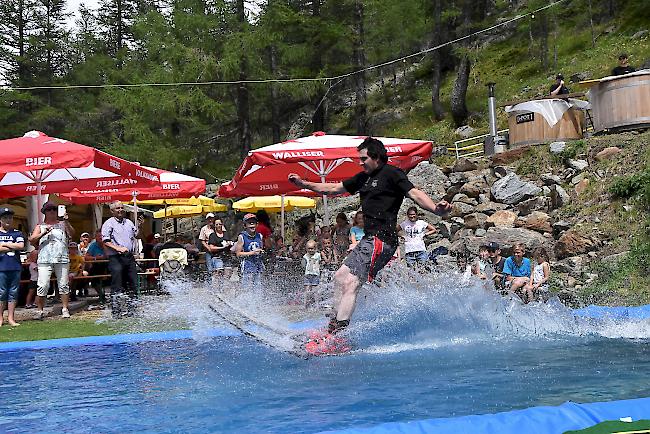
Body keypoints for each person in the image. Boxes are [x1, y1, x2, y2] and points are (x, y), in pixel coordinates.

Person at [288, 137, 451, 333]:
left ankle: (337, 335)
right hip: (369, 240)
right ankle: (330, 328)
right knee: (340, 277)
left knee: (351, 282)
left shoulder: (392, 174)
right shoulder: (363, 177)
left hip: (383, 240)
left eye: (363, 158)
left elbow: (415, 194)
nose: (360, 162)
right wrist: (303, 183)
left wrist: (435, 209)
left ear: (376, 157)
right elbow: (333, 188)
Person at [29, 202, 75, 319]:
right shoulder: (40, 226)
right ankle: (39, 310)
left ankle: (65, 308)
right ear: (44, 212)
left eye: (54, 209)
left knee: (63, 284)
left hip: (62, 257)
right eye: (49, 210)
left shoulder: (62, 224)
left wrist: (66, 221)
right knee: (42, 285)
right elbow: (31, 240)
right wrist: (43, 232)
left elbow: (72, 234)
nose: (52, 212)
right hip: (45, 259)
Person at [102, 201, 142, 318]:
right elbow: (106, 241)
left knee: (133, 284)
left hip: (129, 257)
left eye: (122, 208)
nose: (120, 210)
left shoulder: (129, 222)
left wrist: (141, 226)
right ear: (112, 211)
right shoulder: (108, 224)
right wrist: (118, 248)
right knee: (117, 285)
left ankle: (132, 310)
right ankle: (117, 312)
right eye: (118, 208)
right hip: (116, 257)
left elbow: (137, 236)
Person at [0, 208, 25, 326]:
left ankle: (11, 318)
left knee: (13, 292)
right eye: (5, 217)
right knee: (1, 292)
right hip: (1, 267)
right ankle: (0, 318)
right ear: (0, 219)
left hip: (15, 267)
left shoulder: (17, 233)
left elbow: (21, 246)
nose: (8, 220)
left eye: (10, 217)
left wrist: (4, 244)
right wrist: (12, 246)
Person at [234, 213, 265, 292]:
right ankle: (243, 301)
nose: (252, 224)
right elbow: (238, 254)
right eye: (249, 223)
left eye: (253, 222)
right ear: (245, 226)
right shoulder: (242, 237)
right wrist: (252, 253)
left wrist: (261, 252)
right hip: (247, 265)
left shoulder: (260, 236)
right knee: (247, 287)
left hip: (258, 265)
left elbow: (260, 248)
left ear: (256, 224)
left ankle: (257, 302)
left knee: (258, 287)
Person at [207, 218, 234, 287]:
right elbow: (211, 248)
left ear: (222, 225)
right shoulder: (212, 235)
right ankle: (216, 289)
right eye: (217, 224)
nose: (218, 226)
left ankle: (224, 289)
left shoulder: (226, 234)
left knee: (228, 274)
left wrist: (230, 244)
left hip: (226, 256)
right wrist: (222, 247)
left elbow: (229, 242)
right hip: (217, 256)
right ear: (214, 226)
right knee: (219, 272)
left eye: (220, 224)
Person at [85, 230, 107, 303]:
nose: (100, 238)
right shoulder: (93, 245)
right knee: (94, 279)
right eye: (99, 236)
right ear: (96, 238)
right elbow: (86, 257)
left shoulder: (108, 244)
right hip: (97, 265)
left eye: (102, 236)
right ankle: (101, 295)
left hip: (108, 265)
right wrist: (95, 258)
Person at [302, 240, 321, 308]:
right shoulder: (305, 256)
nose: (310, 250)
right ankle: (306, 304)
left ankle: (316, 304)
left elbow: (322, 261)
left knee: (315, 290)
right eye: (309, 248)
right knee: (307, 291)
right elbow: (303, 265)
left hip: (315, 275)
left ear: (315, 248)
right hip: (307, 275)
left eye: (312, 248)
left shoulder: (318, 255)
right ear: (306, 249)